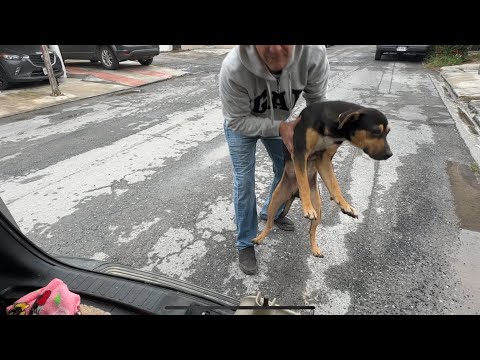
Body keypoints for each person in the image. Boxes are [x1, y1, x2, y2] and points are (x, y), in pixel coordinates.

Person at [219, 45, 330, 275]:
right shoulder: (233, 67)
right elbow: (238, 121)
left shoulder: (314, 54)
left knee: (287, 171)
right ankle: (246, 242)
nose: (275, 49)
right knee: (244, 181)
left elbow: (317, 103)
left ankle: (272, 213)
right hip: (243, 125)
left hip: (281, 124)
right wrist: (280, 127)